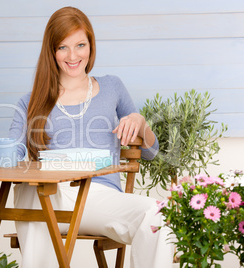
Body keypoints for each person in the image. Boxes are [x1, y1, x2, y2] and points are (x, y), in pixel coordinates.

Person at [9, 6, 172, 268]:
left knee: (158, 214)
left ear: (90, 46)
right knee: (29, 192)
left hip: (100, 197)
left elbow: (153, 152)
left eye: (80, 45)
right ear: (51, 51)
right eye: (63, 47)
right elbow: (12, 157)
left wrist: (139, 122)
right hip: (52, 194)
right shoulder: (29, 102)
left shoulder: (112, 87)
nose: (73, 56)